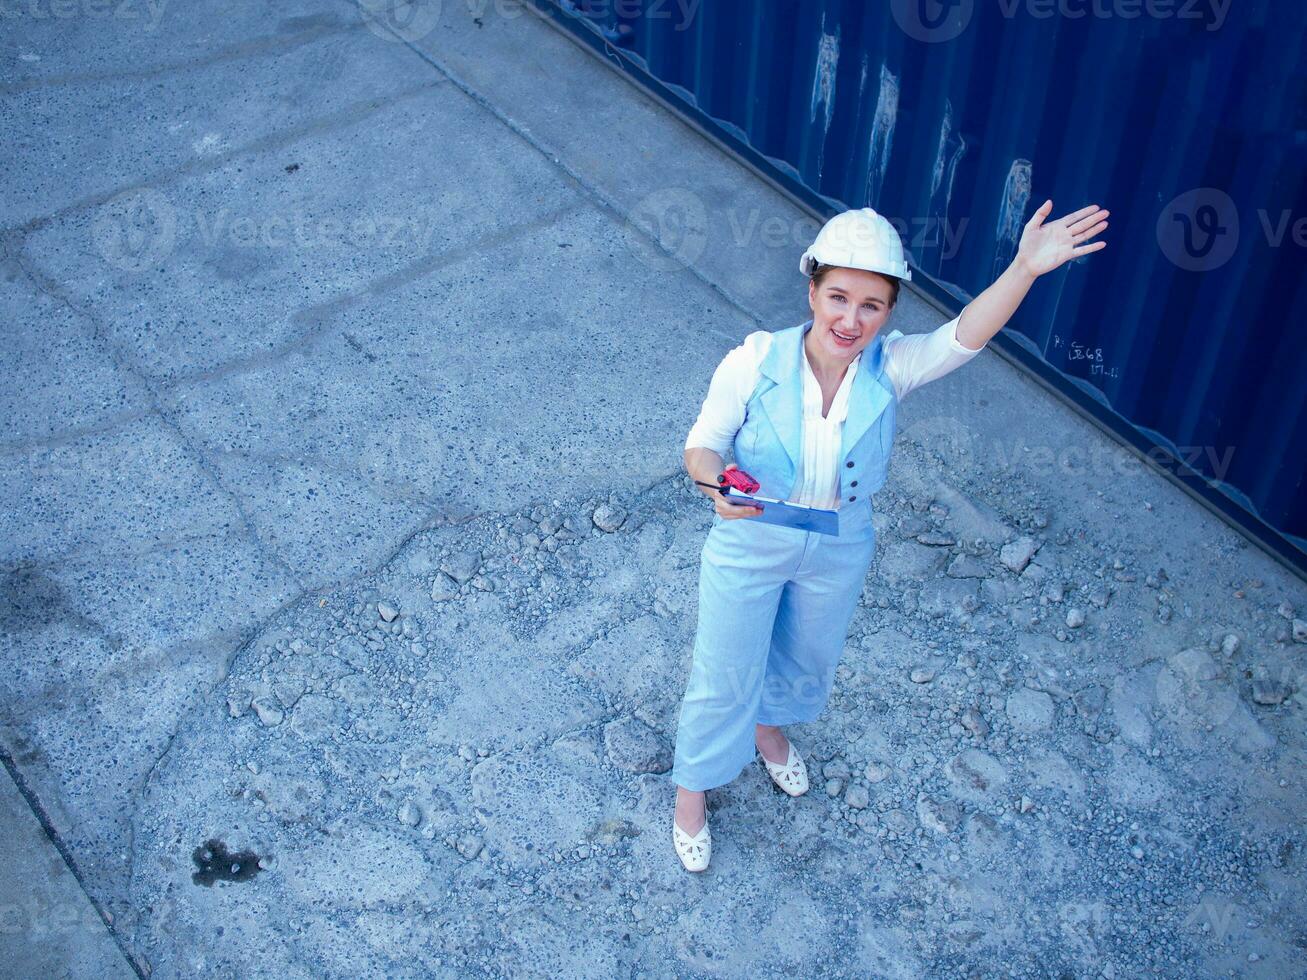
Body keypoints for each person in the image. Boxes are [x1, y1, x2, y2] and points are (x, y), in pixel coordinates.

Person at [670, 201, 1108, 872]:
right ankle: (691, 793)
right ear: (811, 289)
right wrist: (714, 486)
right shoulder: (753, 360)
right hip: (753, 534)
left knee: (804, 654)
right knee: (723, 667)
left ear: (889, 311)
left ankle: (767, 730)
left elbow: (965, 334)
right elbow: (702, 444)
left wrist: (1023, 268)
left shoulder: (892, 367)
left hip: (839, 543)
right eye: (838, 297)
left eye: (871, 305)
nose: (850, 320)